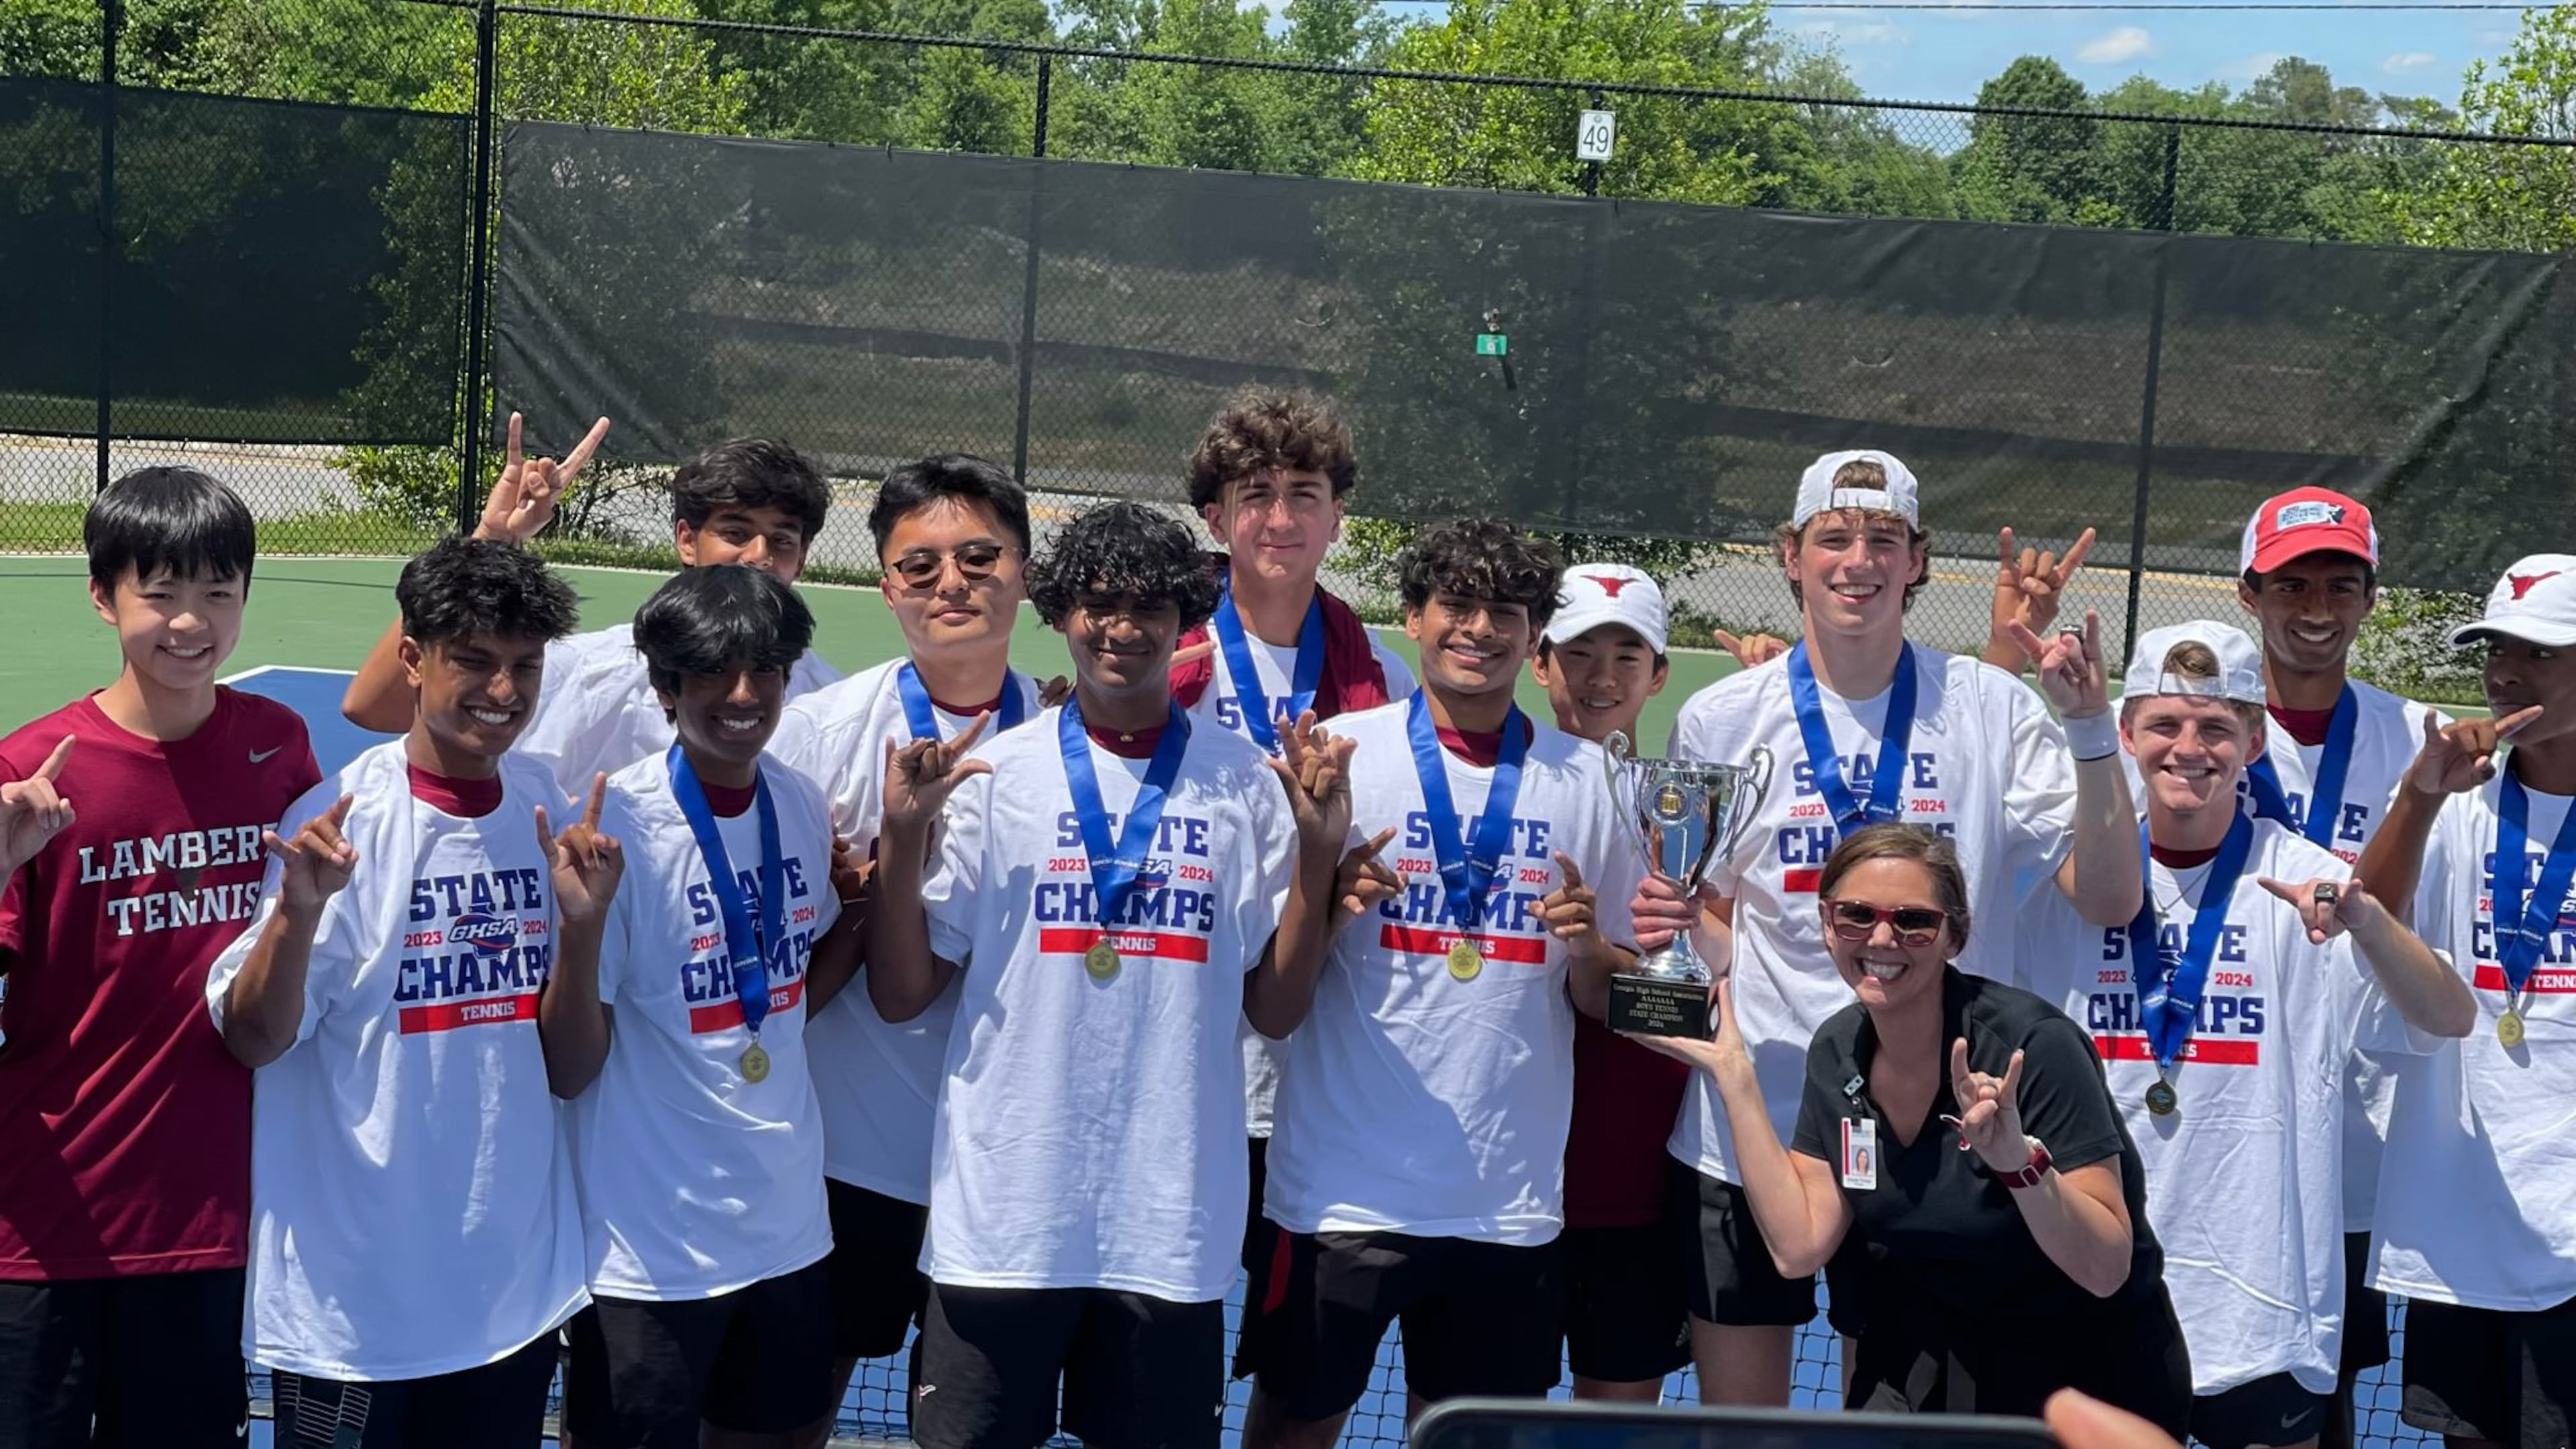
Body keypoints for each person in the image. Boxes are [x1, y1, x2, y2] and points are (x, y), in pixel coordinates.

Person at [1630, 449, 2141, 1407]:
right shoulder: (1720, 718)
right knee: (1743, 1439)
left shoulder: (1994, 708)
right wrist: (1678, 920)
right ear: (1791, 555)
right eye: (1834, 538)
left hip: (1935, 1148)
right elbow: (1716, 921)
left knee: (1898, 1435)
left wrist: (2090, 732)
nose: (1857, 560)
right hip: (1757, 1134)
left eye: (1883, 540)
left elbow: (2110, 899)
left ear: (1917, 562)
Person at [865, 500, 1348, 1449]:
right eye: (1097, 604)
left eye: (1147, 609)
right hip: (1004, 1221)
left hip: (1168, 1226)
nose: (1122, 629)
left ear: (1184, 620)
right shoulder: (997, 776)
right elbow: (901, 992)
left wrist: (1320, 856)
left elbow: (1277, 1011)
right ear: (1059, 611)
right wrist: (902, 837)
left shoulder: (1247, 784)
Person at [2014, 619, 2472, 1449]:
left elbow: (2449, 1016)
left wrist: (2370, 922)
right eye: (2164, 725)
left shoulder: (2315, 884)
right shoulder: (2063, 884)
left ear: (2255, 739)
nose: (2190, 749)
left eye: (2218, 727)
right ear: (2124, 732)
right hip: (2088, 1292)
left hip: (2260, 1313)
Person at [1242, 519, 1646, 1449]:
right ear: (1414, 618)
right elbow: (1273, 1006)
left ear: (1532, 634)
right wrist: (1323, 890)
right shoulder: (1335, 754)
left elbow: (1607, 999)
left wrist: (1589, 949)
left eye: (1505, 611)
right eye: (1455, 605)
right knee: (1295, 1426)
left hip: (1504, 1202)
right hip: (1340, 1192)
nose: (1479, 629)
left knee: (1466, 1437)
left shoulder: (1590, 781)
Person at [206, 537, 606, 1445]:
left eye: (524, 667)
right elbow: (254, 1039)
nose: (503, 692)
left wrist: (581, 929)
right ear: (415, 660)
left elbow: (571, 1070)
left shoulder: (550, 811)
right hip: (354, 1316)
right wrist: (297, 916)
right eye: (474, 661)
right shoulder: (336, 821)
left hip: (513, 1299)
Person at [1640, 824, 2192, 1434]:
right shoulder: (1836, 1051)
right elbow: (1799, 1246)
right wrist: (1733, 1075)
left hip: (2081, 1374)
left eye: (1913, 921)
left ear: (1953, 936)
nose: (1882, 937)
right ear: (1827, 923)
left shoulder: (2034, 1047)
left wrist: (2020, 1165)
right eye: (1856, 914)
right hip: (1924, 1360)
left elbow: (2105, 1268)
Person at [0, 468, 321, 1446]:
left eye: (219, 593)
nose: (193, 622)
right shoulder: (32, 771)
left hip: (207, 1218)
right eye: (162, 592)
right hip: (44, 1220)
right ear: (103, 596)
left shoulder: (278, 746)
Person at [559, 566, 867, 1449]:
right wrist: (580, 933)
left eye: (766, 670)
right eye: (712, 674)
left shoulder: (801, 805)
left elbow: (778, 1001)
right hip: (650, 1255)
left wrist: (866, 907)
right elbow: (572, 1063)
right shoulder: (620, 823)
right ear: (665, 688)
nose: (743, 695)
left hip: (786, 1233)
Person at [764, 455, 1049, 1404]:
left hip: (1010, 1160)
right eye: (919, 566)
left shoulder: (1065, 743)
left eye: (978, 557)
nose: (952, 584)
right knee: (791, 1407)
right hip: (851, 1149)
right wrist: (856, 890)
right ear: (885, 586)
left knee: (972, 1422)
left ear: (1024, 571)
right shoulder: (812, 732)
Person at [1165, 388, 1416, 1332]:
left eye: (1305, 492)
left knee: (1293, 1363)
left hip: (1311, 1077)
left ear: (1338, 515)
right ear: (1214, 516)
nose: (1280, 517)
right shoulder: (1161, 656)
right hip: (1179, 1054)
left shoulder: (1383, 676)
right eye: (1255, 492)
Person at [2229, 488, 2446, 1449]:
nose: (2316, 608)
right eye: (2292, 585)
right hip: (2226, 1102)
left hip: (2366, 1133)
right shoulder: (2191, 733)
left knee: (2323, 1388)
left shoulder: (2419, 739)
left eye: (2340, 585)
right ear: (2249, 593)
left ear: (2368, 598)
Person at [2355, 555, 2576, 1449]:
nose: (2505, 673)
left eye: (2539, 652)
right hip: (2462, 1223)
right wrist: (2419, 795)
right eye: (2495, 650)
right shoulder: (2451, 803)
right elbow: (2364, 920)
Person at [341, 420, 843, 801]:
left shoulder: (827, 702)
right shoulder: (587, 669)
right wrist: (492, 542)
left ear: (801, 556)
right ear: (687, 540)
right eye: (735, 533)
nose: (758, 556)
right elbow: (373, 707)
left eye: (781, 540)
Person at [1527, 564, 1691, 1403]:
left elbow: (1685, 1003)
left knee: (1617, 1419)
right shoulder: (1496, 797)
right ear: (1538, 660)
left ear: (1659, 675)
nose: (1602, 677)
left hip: (1635, 1176)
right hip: (1503, 1184)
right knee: (1483, 1415)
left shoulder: (1688, 817)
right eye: (1580, 651)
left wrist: (1597, 957)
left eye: (1628, 656)